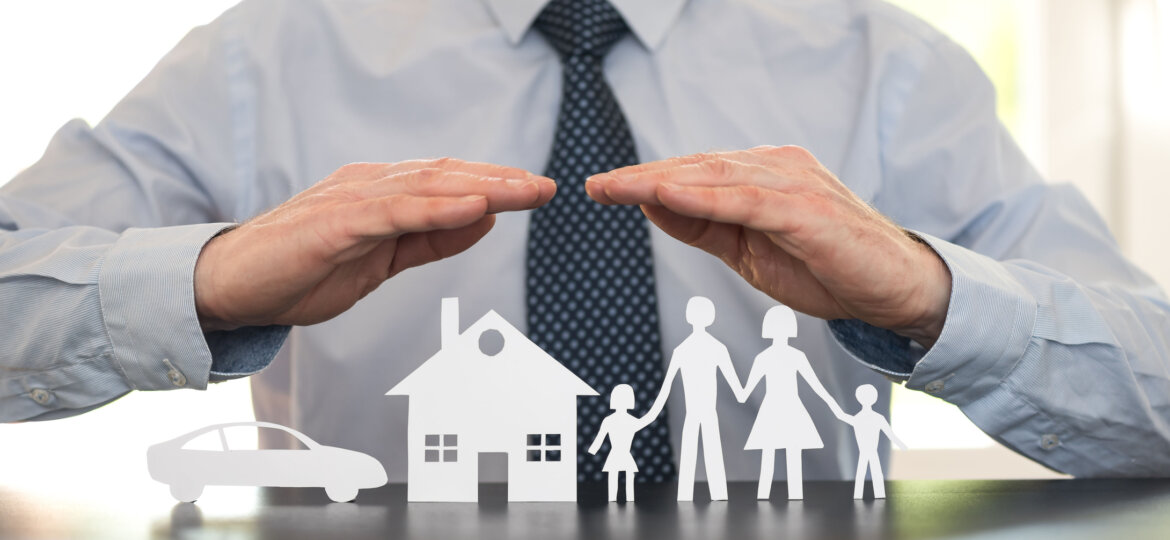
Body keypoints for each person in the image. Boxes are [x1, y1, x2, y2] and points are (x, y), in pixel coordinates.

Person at [2, 0, 1169, 485]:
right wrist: (203, 283)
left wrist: (929, 293)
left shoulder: (885, 61)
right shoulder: (262, 57)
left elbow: (1156, 384)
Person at [640, 296, 745, 500]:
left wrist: (647, 417)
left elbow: (664, 389)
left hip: (696, 414)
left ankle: (693, 495)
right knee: (711, 454)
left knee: (691, 456)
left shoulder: (683, 350)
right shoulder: (716, 349)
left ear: (689, 317)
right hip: (704, 413)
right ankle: (715, 495)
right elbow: (738, 389)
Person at [737, 305, 845, 500]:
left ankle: (766, 495)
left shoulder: (765, 358)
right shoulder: (793, 357)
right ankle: (782, 496)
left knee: (770, 457)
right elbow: (816, 387)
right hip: (788, 410)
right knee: (787, 456)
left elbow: (744, 392)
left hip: (777, 410)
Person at [840, 384, 908, 499]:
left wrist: (900, 444)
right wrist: (901, 444)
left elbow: (841, 415)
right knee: (870, 474)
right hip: (869, 452)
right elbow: (889, 434)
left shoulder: (859, 418)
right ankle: (868, 496)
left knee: (866, 474)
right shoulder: (871, 418)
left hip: (869, 451)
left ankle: (863, 496)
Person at [588, 384, 651, 502]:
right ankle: (614, 498)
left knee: (625, 477)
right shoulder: (611, 420)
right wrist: (592, 450)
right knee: (615, 477)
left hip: (623, 454)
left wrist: (593, 450)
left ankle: (628, 498)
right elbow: (599, 438)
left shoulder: (626, 421)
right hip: (616, 454)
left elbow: (648, 419)